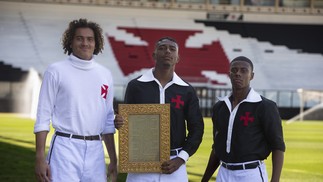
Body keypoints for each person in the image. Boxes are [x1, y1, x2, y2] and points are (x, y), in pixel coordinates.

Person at [34, 18, 121, 182]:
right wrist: (39, 158)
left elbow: (108, 121)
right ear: (71, 42)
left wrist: (113, 160)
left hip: (96, 150)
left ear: (96, 43)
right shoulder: (55, 71)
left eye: (90, 39)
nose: (85, 43)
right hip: (64, 148)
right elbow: (43, 116)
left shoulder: (105, 75)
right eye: (79, 38)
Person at [123, 36, 204, 181]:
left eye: (172, 49)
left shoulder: (187, 90)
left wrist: (181, 159)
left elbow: (197, 128)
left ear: (177, 57)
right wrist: (120, 123)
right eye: (162, 48)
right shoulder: (136, 86)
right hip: (142, 161)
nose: (167, 51)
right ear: (154, 55)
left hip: (175, 164)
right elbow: (127, 126)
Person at [202, 56, 285, 182]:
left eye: (243, 70)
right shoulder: (220, 107)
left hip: (250, 174)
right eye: (234, 70)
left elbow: (277, 146)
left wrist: (275, 180)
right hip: (223, 174)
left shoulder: (265, 106)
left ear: (251, 76)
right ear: (229, 74)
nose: (238, 74)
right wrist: (205, 179)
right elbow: (217, 148)